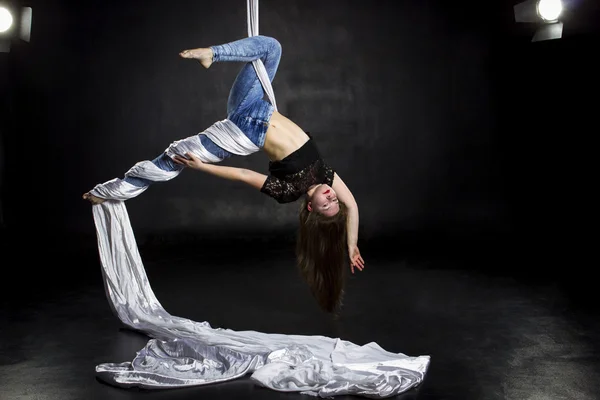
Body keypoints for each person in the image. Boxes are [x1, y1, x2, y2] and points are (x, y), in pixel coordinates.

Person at [83, 35, 365, 313]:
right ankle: (211, 54)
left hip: (246, 130)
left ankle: (110, 191)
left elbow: (244, 174)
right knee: (271, 47)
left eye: (325, 205)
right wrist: (351, 246)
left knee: (176, 157)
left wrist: (204, 167)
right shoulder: (326, 175)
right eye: (333, 201)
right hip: (258, 104)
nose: (330, 197)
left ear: (310, 207)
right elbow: (351, 205)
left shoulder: (288, 192)